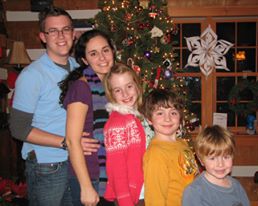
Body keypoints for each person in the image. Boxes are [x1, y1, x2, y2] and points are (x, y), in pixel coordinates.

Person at [9, 6, 97, 206]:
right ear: (43, 37)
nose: (61, 36)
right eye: (53, 31)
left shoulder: (79, 68)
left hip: (77, 161)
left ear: (73, 34)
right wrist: (68, 142)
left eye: (66, 29)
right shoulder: (32, 75)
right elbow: (19, 128)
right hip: (47, 165)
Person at [59, 29, 115, 206]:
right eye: (93, 53)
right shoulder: (82, 88)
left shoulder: (113, 86)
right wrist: (86, 187)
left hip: (111, 174)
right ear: (84, 60)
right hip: (91, 177)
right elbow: (72, 141)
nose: (102, 57)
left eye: (105, 50)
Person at [142, 89, 198, 206]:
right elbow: (155, 199)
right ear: (149, 119)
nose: (167, 119)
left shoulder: (182, 143)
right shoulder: (156, 154)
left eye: (173, 113)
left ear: (180, 117)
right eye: (160, 113)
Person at [103, 63, 146, 206]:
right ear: (111, 93)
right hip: (130, 197)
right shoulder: (117, 123)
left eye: (129, 86)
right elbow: (117, 170)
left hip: (142, 191)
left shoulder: (134, 117)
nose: (126, 94)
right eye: (118, 90)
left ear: (137, 86)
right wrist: (125, 201)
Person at [182, 125, 250, 206]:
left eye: (226, 157)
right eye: (212, 158)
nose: (220, 164)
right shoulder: (194, 192)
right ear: (201, 161)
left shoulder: (237, 186)